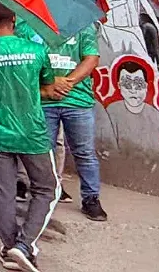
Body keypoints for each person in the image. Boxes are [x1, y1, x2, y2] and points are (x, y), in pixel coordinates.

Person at [0, 0, 60, 272]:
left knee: (1, 194)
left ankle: (11, 247)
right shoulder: (36, 50)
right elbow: (48, 87)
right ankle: (24, 244)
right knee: (46, 188)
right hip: (32, 132)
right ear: (15, 19)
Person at [39, 23, 107, 221]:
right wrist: (49, 84)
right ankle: (46, 197)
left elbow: (91, 59)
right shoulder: (31, 27)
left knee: (84, 152)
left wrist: (66, 82)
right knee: (44, 152)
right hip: (44, 100)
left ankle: (91, 199)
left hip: (78, 101)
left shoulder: (83, 28)